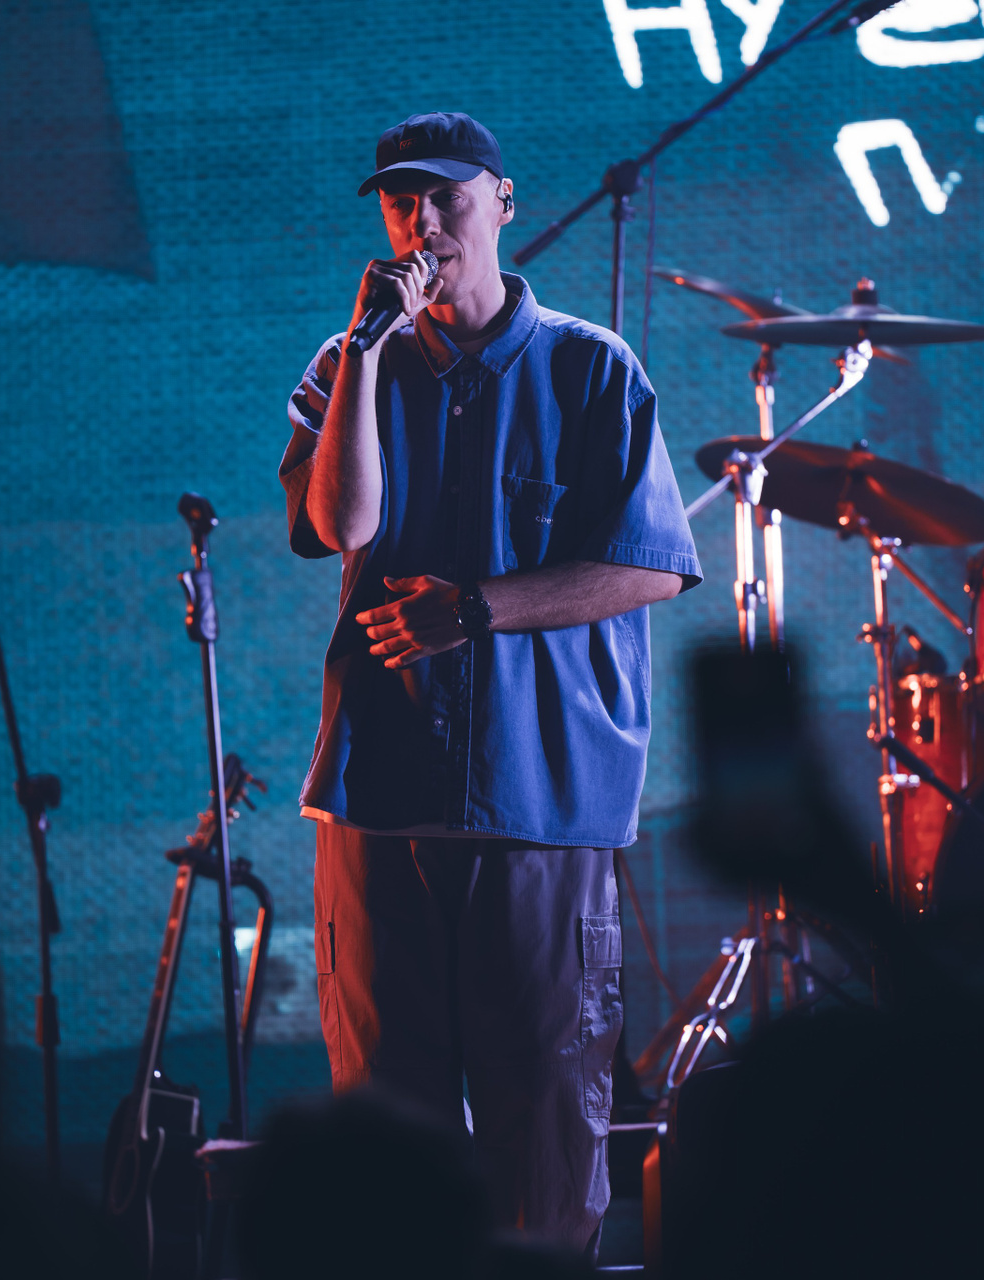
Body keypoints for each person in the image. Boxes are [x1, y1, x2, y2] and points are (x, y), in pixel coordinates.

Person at [277, 110, 700, 1252]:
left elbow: (651, 567)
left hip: (540, 805)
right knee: (386, 1138)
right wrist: (366, 353)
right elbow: (339, 523)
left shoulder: (590, 368)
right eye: (401, 201)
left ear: (502, 204)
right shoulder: (349, 364)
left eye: (447, 198)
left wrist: (475, 609)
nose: (423, 223)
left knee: (545, 1131)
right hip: (380, 796)